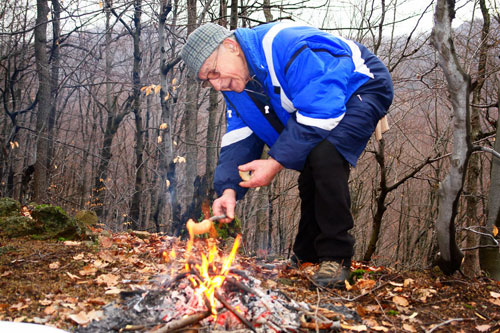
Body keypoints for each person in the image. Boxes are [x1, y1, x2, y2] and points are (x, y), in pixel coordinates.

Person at [180, 22, 393, 288]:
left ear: (231, 46)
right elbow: (240, 136)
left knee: (325, 154)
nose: (216, 85)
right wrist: (228, 190)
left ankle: (336, 258)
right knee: (310, 165)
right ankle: (306, 255)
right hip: (319, 102)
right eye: (207, 81)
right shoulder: (235, 84)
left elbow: (322, 110)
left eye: (214, 72)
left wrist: (275, 162)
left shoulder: (287, 46)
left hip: (361, 85)